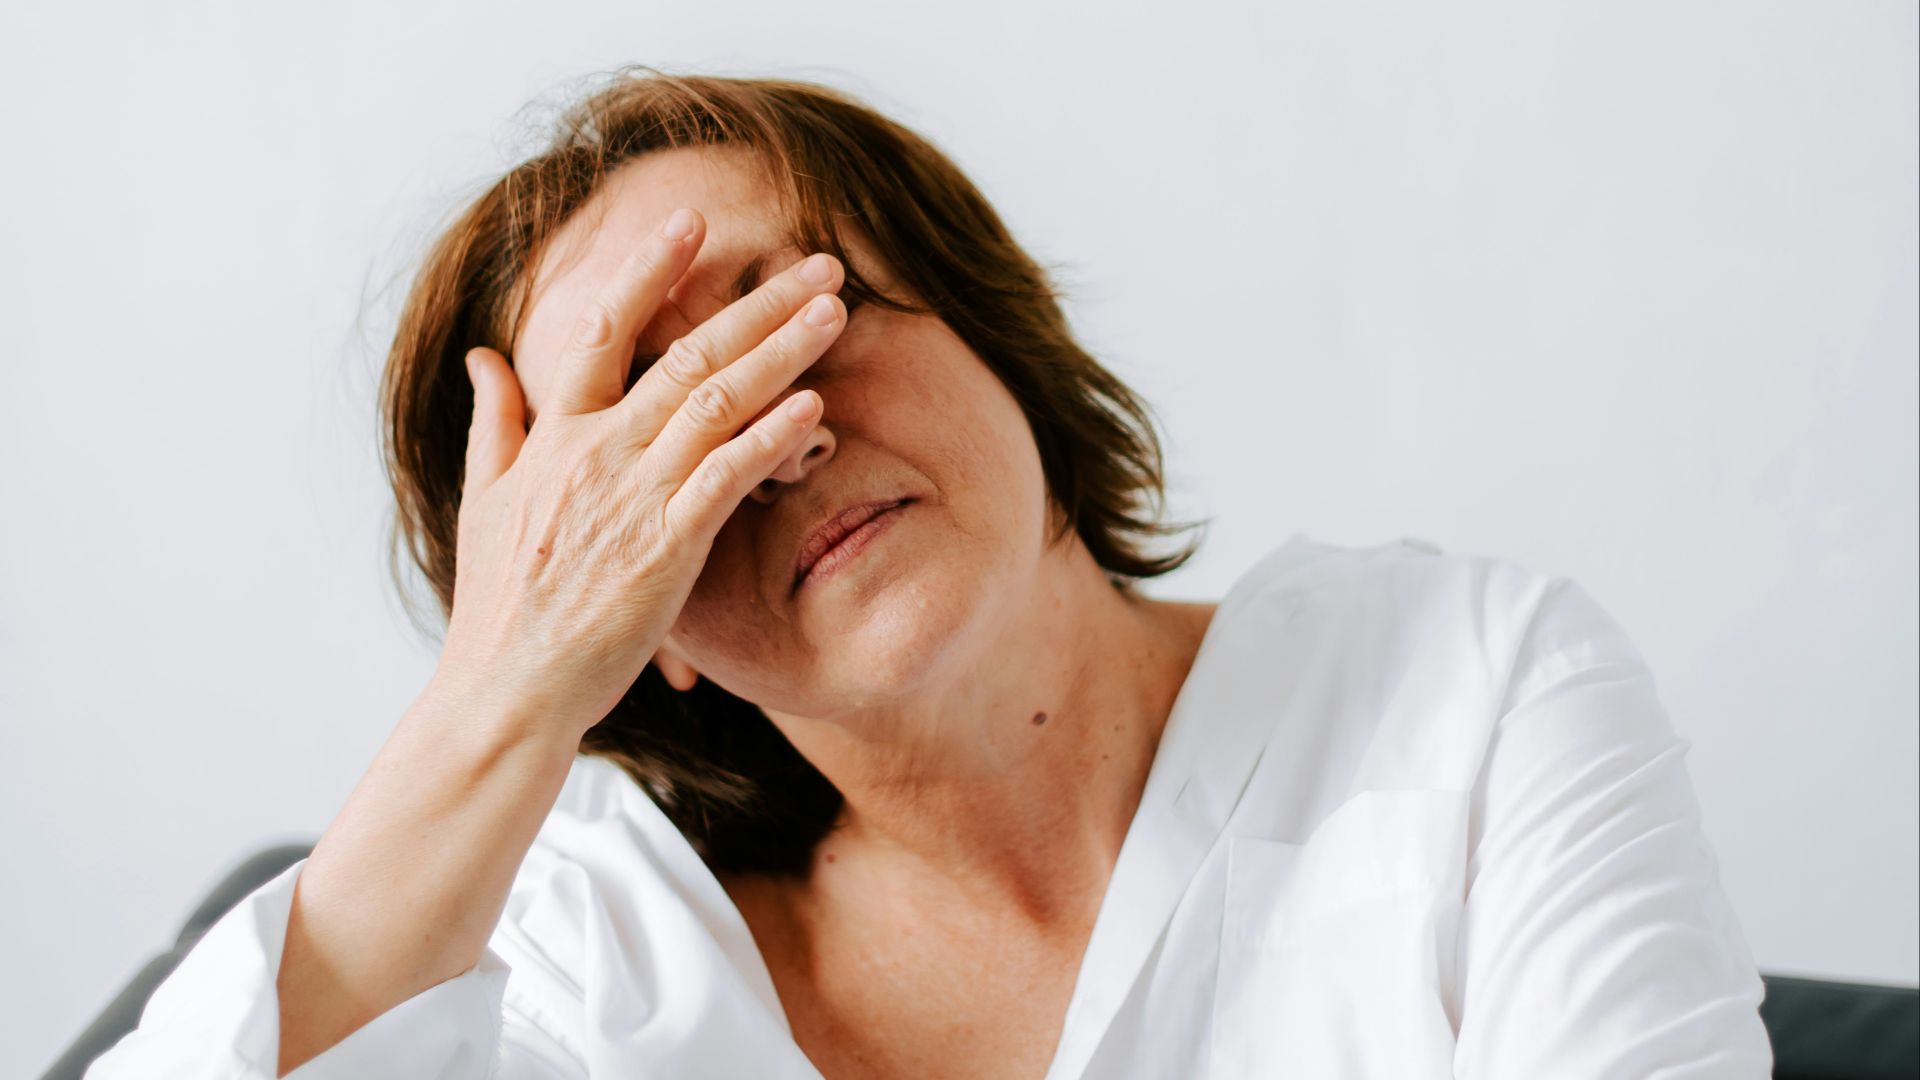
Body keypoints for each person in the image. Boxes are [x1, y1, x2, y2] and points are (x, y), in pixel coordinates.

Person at [85, 68, 1773, 1078]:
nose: (777, 446)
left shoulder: (1473, 693)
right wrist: (501, 689)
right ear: (618, 618)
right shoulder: (572, 952)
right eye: (655, 446)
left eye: (790, 330)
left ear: (991, 324)